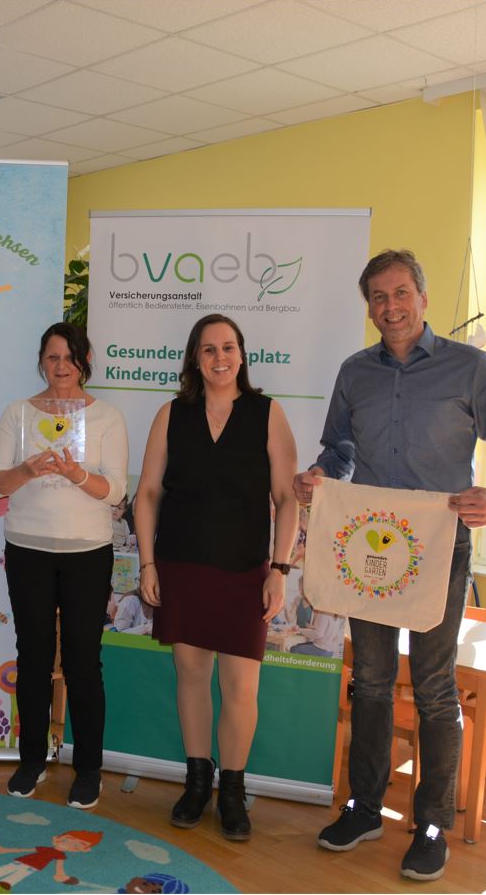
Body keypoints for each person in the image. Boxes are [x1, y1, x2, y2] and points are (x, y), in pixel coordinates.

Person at [298, 249, 486, 882]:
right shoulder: (354, 372)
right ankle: (364, 807)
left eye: (401, 293)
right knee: (371, 681)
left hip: (440, 548)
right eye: (378, 297)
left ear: (423, 299)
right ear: (369, 307)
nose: (391, 307)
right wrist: (320, 475)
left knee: (433, 688)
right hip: (370, 548)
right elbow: (339, 450)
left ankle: (431, 824)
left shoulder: (471, 368)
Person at [132, 313, 298, 840]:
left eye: (228, 347)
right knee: (190, 674)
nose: (219, 357)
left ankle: (232, 790)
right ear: (195, 359)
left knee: (241, 686)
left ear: (242, 355)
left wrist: (280, 569)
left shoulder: (267, 414)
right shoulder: (171, 414)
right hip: (182, 564)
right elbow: (147, 494)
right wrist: (147, 563)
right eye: (208, 349)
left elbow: (287, 498)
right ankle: (197, 781)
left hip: (246, 572)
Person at [0, 322, 128, 810]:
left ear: (85, 361)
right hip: (28, 550)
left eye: (70, 357)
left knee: (84, 662)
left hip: (87, 551)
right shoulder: (18, 413)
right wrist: (27, 469)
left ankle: (88, 769)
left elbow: (116, 491)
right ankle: (31, 760)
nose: (61, 366)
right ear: (41, 362)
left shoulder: (107, 417)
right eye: (52, 357)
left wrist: (76, 474)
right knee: (33, 657)